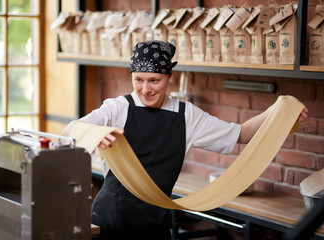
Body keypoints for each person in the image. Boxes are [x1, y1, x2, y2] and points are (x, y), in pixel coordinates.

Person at [63, 40, 308, 240]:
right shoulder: (118, 108)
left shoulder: (186, 115)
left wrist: (277, 111)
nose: (145, 89)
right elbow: (72, 128)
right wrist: (97, 133)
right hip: (110, 217)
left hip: (156, 217)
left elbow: (241, 134)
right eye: (138, 80)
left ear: (170, 77)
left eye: (154, 81)